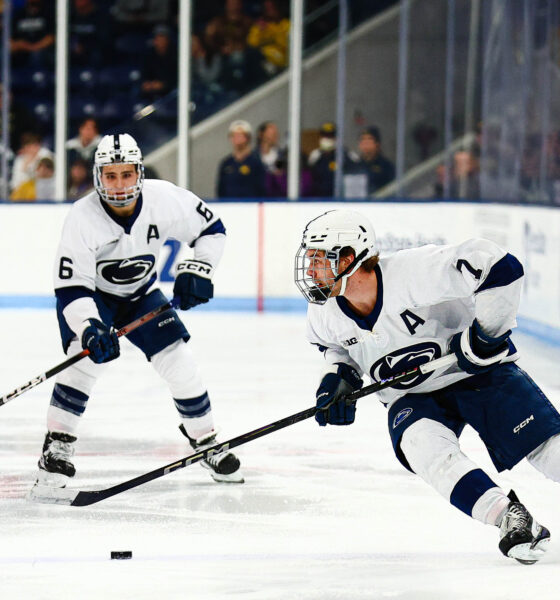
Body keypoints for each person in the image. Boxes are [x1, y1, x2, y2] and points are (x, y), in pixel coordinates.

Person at [294, 208, 560, 564]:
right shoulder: (324, 312)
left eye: (318, 259)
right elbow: (334, 347)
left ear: (349, 257)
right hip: (412, 396)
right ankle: (509, 517)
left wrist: (486, 336)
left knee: (546, 448)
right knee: (422, 448)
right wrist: (338, 378)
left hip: (477, 375)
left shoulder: (414, 272)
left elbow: (501, 266)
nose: (310, 270)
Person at [29, 133, 243, 501]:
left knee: (180, 362)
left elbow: (212, 229)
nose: (119, 184)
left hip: (143, 295)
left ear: (139, 173)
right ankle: (57, 448)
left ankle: (206, 440)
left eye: (126, 174)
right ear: (98, 177)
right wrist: (91, 327)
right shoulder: (82, 216)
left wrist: (198, 267)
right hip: (94, 300)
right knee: (82, 364)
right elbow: (71, 288)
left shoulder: (165, 198)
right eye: (110, 176)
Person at [216, 120, 266, 198]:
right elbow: (221, 190)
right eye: (234, 135)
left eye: (240, 135)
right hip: (228, 206)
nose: (237, 138)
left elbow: (261, 189)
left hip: (250, 206)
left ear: (248, 138)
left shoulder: (256, 162)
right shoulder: (226, 163)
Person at [308, 122, 357, 197]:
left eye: (330, 136)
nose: (327, 139)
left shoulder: (347, 155)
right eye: (324, 136)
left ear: (336, 138)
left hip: (341, 200)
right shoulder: (315, 156)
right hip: (319, 201)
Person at [140, 25, 178, 103]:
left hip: (172, 91)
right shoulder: (149, 54)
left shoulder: (176, 54)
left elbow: (177, 77)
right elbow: (145, 72)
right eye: (157, 37)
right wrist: (147, 83)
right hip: (152, 90)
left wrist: (164, 84)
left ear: (168, 39)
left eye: (162, 37)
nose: (159, 40)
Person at [354, 126, 395, 194]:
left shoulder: (386, 166)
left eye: (369, 139)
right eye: (362, 139)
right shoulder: (355, 165)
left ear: (377, 144)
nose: (365, 142)